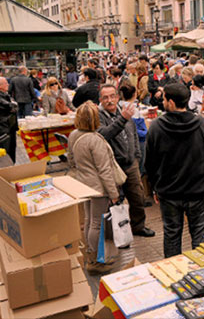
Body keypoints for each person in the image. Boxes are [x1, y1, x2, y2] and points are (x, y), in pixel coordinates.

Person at [145, 83, 204, 257]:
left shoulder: (156, 127)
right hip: (198, 190)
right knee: (200, 237)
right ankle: (201, 276)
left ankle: (172, 275)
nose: (162, 102)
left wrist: (155, 186)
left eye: (164, 99)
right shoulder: (202, 125)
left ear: (171, 102)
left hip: (170, 192)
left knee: (172, 235)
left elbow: (150, 162)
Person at [67, 101, 121, 273]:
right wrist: (113, 193)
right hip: (98, 187)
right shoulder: (95, 140)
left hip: (83, 184)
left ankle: (90, 254)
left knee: (89, 220)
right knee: (96, 223)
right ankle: (97, 260)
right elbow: (104, 170)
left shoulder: (74, 135)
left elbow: (71, 159)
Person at [98, 84, 154, 237]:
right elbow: (105, 134)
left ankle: (138, 226)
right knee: (115, 201)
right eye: (105, 98)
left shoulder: (125, 113)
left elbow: (133, 134)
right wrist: (123, 119)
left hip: (131, 164)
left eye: (112, 96)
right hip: (113, 166)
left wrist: (136, 155)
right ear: (100, 100)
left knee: (137, 197)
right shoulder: (99, 117)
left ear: (117, 97)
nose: (109, 100)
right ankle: (118, 232)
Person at [0, 77, 18, 162]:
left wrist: (13, 106)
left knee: (12, 148)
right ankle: (7, 166)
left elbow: (14, 107)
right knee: (6, 148)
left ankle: (12, 165)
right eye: (5, 83)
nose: (7, 85)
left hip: (11, 126)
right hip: (3, 127)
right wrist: (13, 106)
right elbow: (10, 106)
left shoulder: (6, 94)